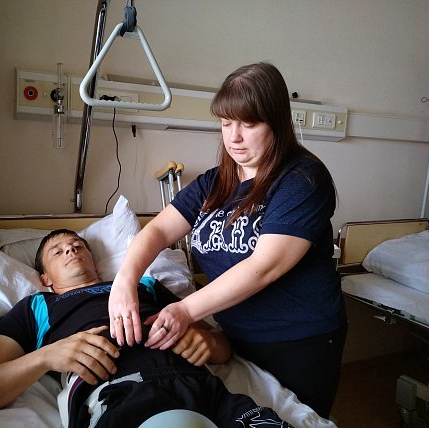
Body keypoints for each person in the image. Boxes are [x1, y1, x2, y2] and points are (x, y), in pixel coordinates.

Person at [108, 62, 347, 418]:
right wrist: (124, 280)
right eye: (225, 123)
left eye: (248, 124)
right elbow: (157, 231)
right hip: (236, 336)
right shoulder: (215, 182)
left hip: (298, 340)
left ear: (277, 123)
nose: (234, 137)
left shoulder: (302, 180)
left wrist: (185, 311)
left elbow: (264, 266)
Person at [0, 228, 290, 427]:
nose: (70, 249)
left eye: (78, 245)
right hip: (119, 396)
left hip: (201, 385)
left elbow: (223, 347)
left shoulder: (143, 285)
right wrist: (47, 357)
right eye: (57, 251)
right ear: (45, 279)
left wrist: (206, 342)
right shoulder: (36, 307)